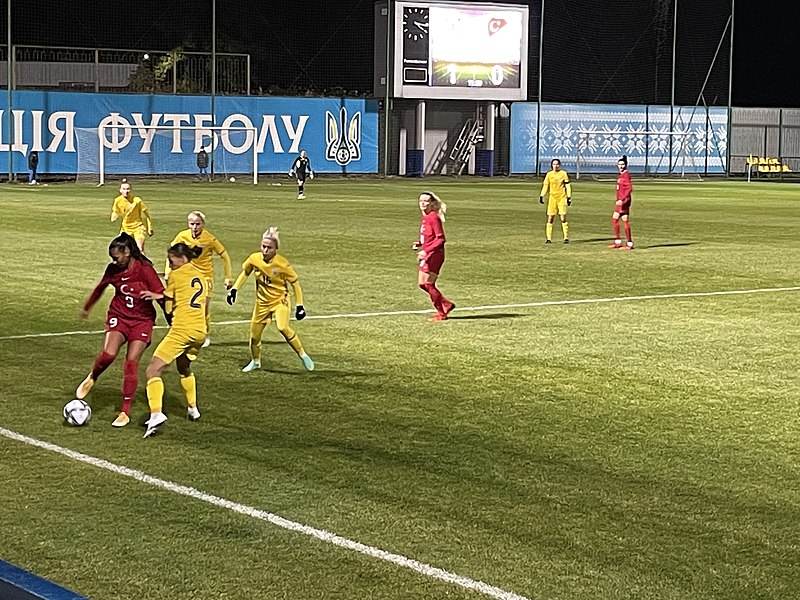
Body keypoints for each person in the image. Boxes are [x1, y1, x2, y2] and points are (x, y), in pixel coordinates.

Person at [75, 233, 166, 427]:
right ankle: (93, 376)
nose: (113, 261)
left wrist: (170, 319)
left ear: (128, 252)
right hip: (119, 316)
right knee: (108, 354)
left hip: (142, 321)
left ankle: (125, 412)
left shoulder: (145, 270)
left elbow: (161, 295)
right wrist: (87, 307)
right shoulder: (113, 270)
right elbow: (101, 287)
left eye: (116, 257)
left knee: (131, 363)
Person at [140, 243, 209, 438]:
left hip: (182, 329)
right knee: (184, 366)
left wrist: (157, 296)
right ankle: (193, 408)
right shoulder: (201, 276)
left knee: (153, 369)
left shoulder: (176, 276)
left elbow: (169, 308)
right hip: (200, 331)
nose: (170, 265)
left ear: (182, 259)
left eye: (171, 261)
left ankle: (156, 414)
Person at [226, 227, 314, 373]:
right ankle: (255, 361)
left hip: (280, 301)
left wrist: (300, 306)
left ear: (276, 249)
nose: (265, 250)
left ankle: (303, 355)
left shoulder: (282, 264)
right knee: (254, 336)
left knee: (282, 327)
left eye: (269, 248)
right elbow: (245, 273)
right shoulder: (254, 259)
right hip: (261, 303)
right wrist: (234, 289)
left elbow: (295, 284)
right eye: (263, 246)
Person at [166, 210, 233, 348]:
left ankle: (205, 334)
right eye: (192, 224)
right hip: (187, 276)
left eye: (198, 224)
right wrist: (168, 271)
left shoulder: (209, 239)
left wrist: (228, 277)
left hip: (205, 277)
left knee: (204, 307)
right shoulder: (182, 236)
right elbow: (171, 253)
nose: (195, 227)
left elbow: (224, 255)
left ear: (203, 224)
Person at [414, 191, 455, 322]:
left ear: (432, 203)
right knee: (422, 284)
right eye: (421, 201)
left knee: (428, 283)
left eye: (426, 201)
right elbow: (429, 236)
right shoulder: (425, 217)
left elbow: (441, 239)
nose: (423, 203)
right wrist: (420, 243)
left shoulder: (433, 217)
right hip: (428, 254)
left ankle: (441, 313)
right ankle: (446, 304)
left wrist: (426, 251)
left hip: (435, 255)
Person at [111, 179, 153, 254]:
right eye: (124, 189)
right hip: (126, 228)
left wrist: (150, 227)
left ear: (130, 190)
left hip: (138, 227)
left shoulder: (137, 200)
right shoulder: (117, 200)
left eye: (128, 189)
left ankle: (143, 264)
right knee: (120, 249)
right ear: (120, 190)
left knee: (139, 249)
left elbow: (146, 214)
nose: (126, 191)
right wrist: (114, 216)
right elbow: (115, 211)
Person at [538, 158, 572, 244]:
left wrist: (569, 197)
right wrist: (542, 195)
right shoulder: (549, 174)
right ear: (551, 165)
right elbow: (546, 185)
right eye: (554, 164)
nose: (555, 166)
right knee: (550, 218)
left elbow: (567, 186)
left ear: (559, 165)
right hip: (552, 198)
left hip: (561, 197)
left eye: (557, 164)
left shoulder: (563, 174)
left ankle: (566, 237)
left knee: (563, 217)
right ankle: (548, 238)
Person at [610, 155, 634, 249]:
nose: (621, 166)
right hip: (622, 201)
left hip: (623, 201)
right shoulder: (622, 175)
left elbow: (629, 188)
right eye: (619, 164)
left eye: (622, 164)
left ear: (626, 165)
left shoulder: (626, 175)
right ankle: (623, 242)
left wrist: (622, 199)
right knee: (621, 220)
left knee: (617, 220)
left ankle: (625, 243)